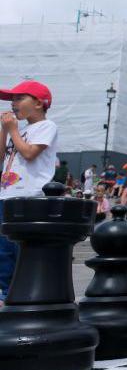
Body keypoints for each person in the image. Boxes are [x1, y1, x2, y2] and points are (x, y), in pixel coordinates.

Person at [0, 80, 57, 307]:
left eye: (18, 98)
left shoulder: (46, 126)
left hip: (28, 195)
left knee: (18, 247)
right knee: (3, 248)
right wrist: (5, 132)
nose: (13, 104)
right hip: (6, 193)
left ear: (38, 103)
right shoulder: (20, 130)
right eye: (12, 100)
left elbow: (30, 153)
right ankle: (5, 290)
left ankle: (14, 291)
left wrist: (13, 130)